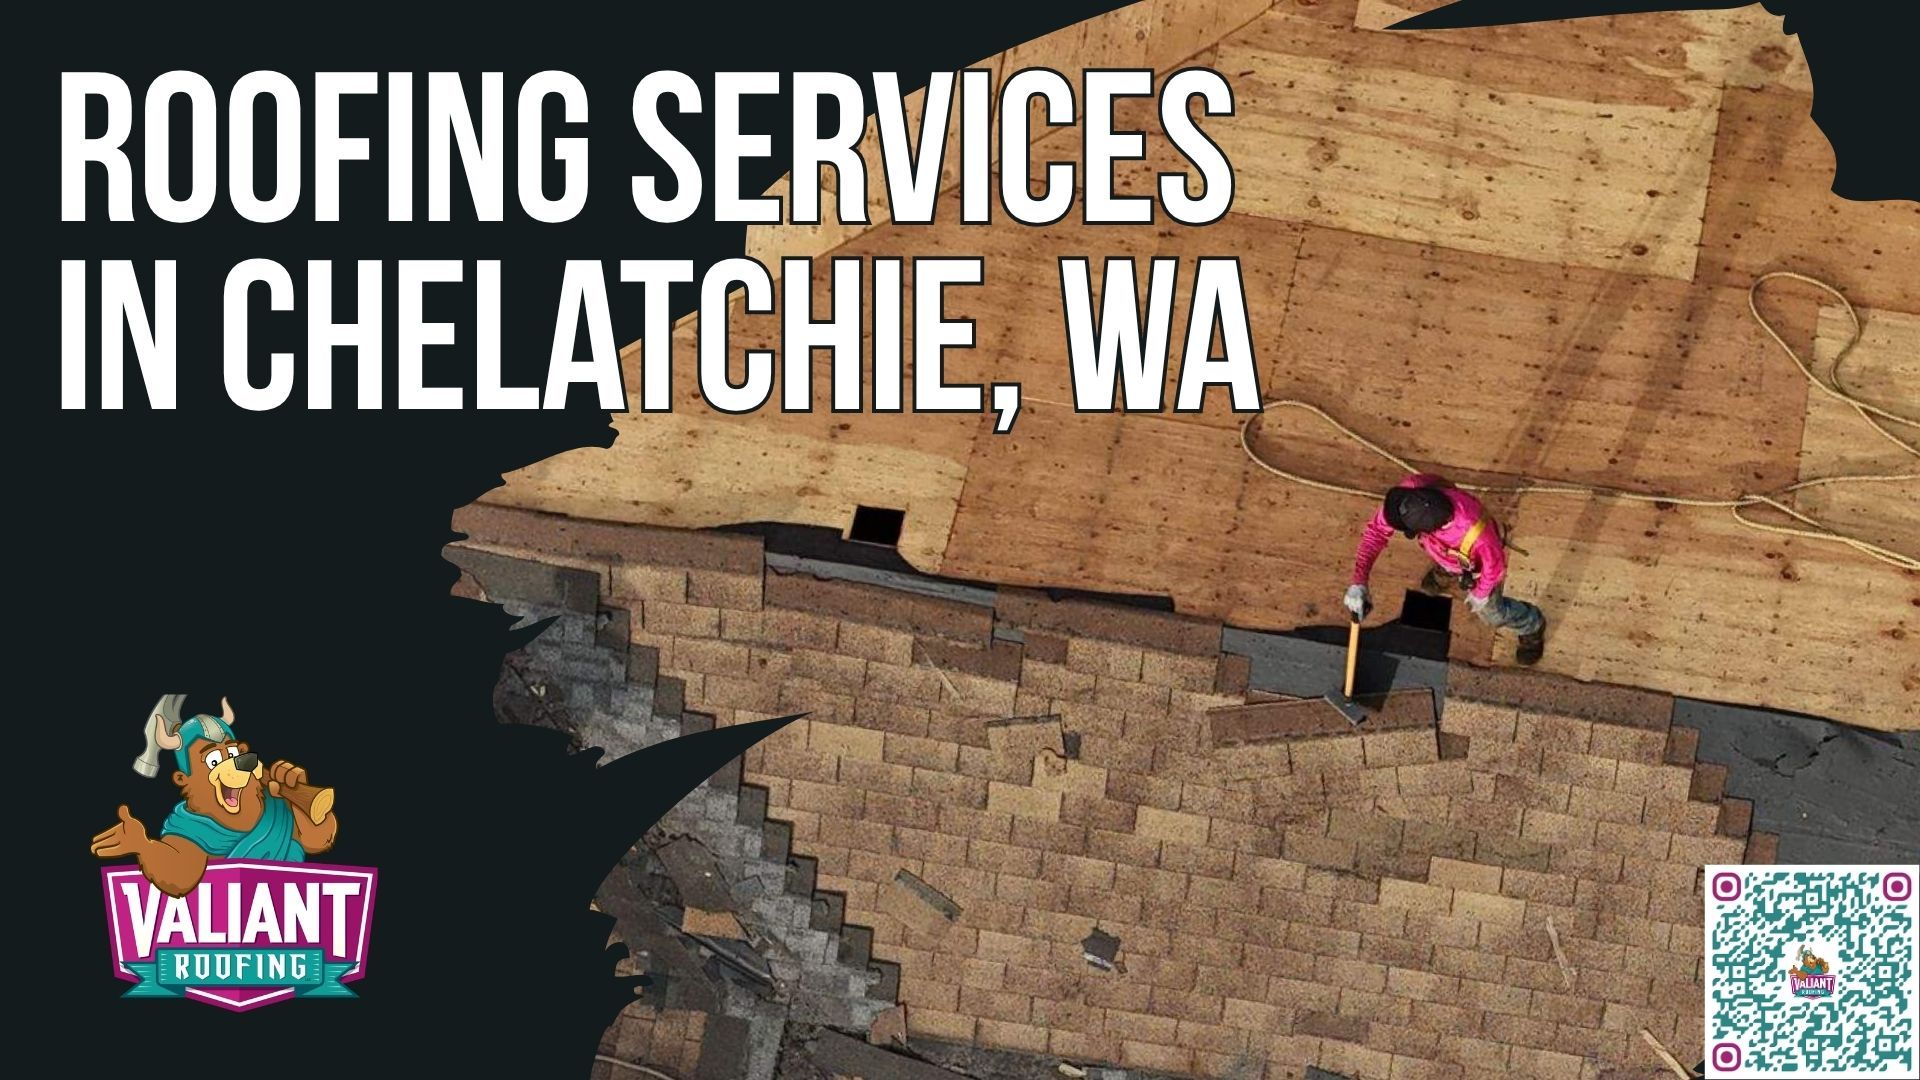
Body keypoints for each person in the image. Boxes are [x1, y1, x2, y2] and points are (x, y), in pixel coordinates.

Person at [1344, 473, 1547, 665]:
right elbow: (1376, 533)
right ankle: (1446, 571)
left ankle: (1532, 624)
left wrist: (1481, 593)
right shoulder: (1413, 492)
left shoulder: (1479, 535)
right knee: (1447, 562)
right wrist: (1359, 581)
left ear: (1433, 529)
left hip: (1476, 565)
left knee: (1492, 615)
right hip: (1446, 553)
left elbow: (1495, 568)